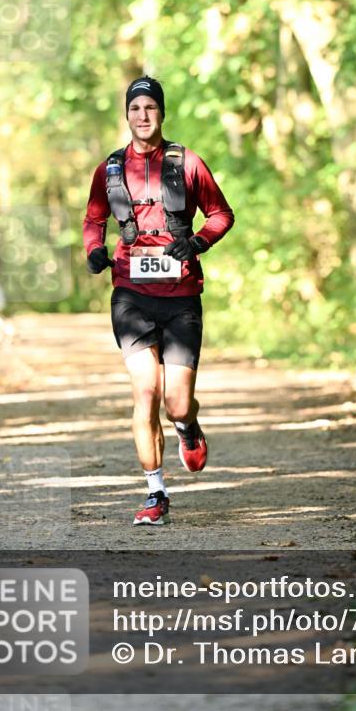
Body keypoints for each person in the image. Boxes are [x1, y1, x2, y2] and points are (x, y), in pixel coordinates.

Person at [83, 76, 234, 526]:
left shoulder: (187, 162)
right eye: (135, 108)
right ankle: (155, 492)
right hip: (130, 295)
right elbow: (94, 219)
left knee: (177, 403)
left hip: (182, 295)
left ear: (161, 113)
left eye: (150, 108)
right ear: (126, 114)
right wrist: (95, 250)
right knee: (146, 391)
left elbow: (222, 214)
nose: (142, 116)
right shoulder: (109, 169)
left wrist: (200, 242)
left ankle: (188, 428)